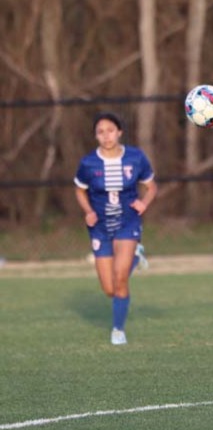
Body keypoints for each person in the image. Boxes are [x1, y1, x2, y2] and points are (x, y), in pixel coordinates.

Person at [74, 112, 157, 345]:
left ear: (119, 132)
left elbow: (151, 187)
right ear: (95, 136)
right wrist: (88, 211)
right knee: (109, 289)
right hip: (100, 227)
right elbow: (79, 190)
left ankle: (118, 330)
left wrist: (144, 203)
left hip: (127, 223)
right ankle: (136, 256)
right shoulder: (88, 163)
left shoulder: (135, 157)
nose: (106, 136)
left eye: (110, 130)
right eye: (100, 132)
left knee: (121, 280)